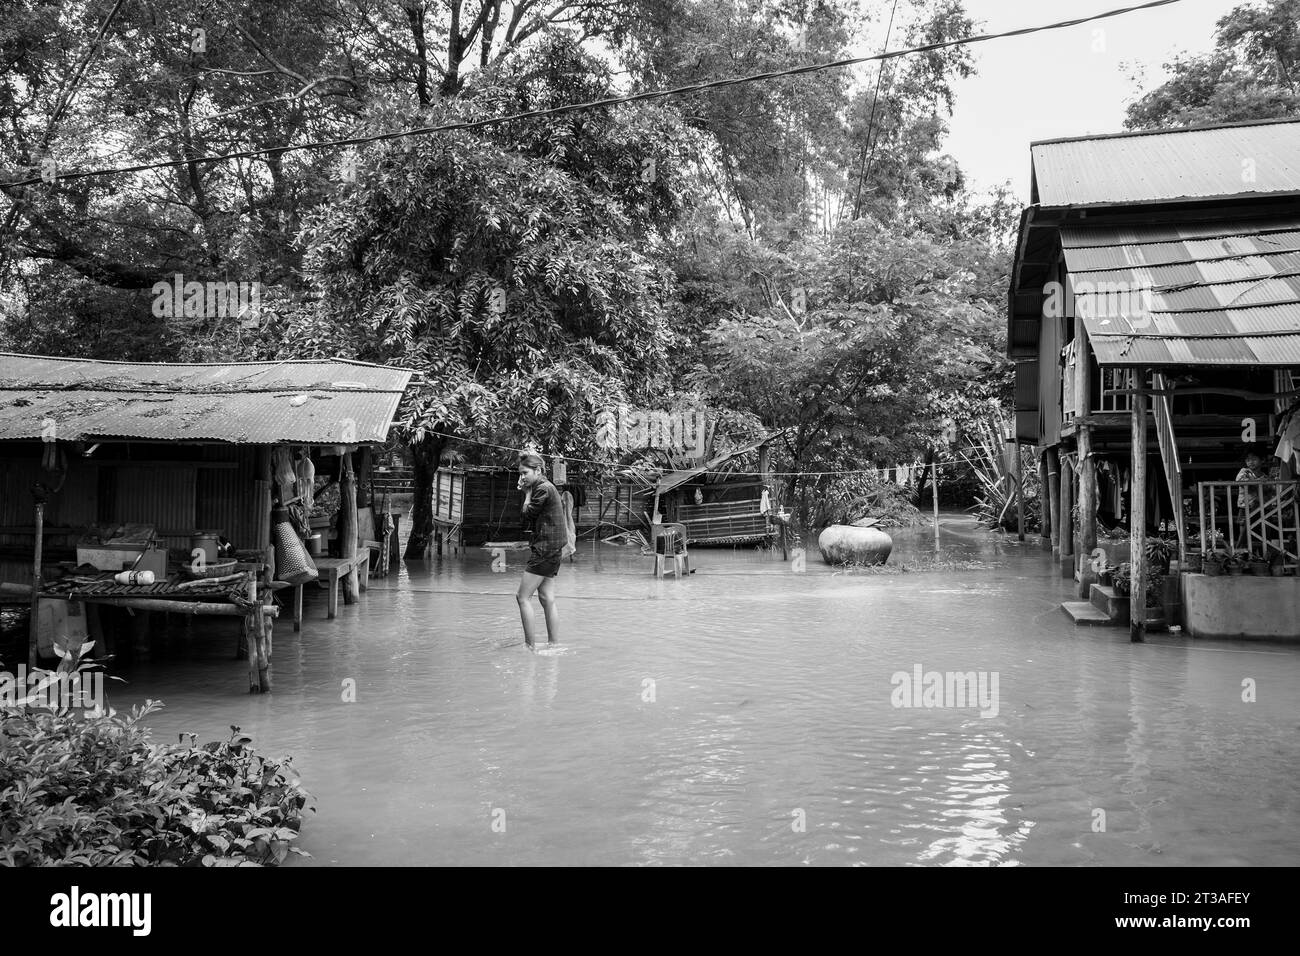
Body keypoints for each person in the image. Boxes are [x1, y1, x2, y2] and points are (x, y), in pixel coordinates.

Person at [516, 453, 565, 647]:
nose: (522, 478)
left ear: (538, 471)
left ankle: (530, 648)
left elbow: (527, 514)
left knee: (522, 597)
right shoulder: (546, 487)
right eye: (520, 474)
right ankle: (554, 645)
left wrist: (527, 494)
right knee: (546, 598)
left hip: (545, 549)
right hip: (553, 548)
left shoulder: (542, 489)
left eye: (525, 473)